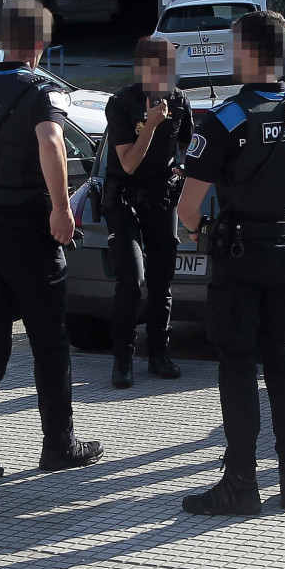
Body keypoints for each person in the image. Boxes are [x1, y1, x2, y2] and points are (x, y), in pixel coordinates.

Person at [0, 0, 103, 488]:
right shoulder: (42, 92)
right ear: (39, 45)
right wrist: (60, 209)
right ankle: (59, 444)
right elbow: (52, 143)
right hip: (28, 235)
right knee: (50, 342)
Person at [177, 9, 285, 517]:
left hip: (239, 258)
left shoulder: (224, 120)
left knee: (239, 367)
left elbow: (188, 207)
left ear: (244, 53)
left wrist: (201, 232)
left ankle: (241, 483)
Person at [103, 36, 193, 388]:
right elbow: (127, 163)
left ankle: (159, 355)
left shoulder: (179, 100)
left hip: (161, 198)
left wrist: (185, 168)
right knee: (131, 280)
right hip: (124, 200)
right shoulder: (122, 104)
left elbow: (189, 144)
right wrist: (152, 125)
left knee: (162, 279)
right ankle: (122, 360)